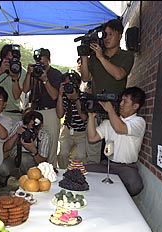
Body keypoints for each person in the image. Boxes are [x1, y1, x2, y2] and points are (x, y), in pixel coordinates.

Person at [80, 18, 135, 164]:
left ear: (120, 35)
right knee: (92, 153)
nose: (107, 38)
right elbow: (85, 77)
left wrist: (100, 57)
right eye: (105, 35)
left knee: (111, 153)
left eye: (111, 34)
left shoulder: (126, 56)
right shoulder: (95, 56)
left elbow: (119, 74)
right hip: (97, 109)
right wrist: (84, 57)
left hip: (115, 111)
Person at [85, 87, 146, 197]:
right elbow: (92, 138)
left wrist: (110, 110)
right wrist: (90, 117)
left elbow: (120, 128)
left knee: (135, 185)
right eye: (121, 100)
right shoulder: (108, 122)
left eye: (125, 101)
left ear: (135, 106)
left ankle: (115, 196)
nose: (121, 104)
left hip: (126, 168)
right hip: (108, 165)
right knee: (83, 170)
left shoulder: (139, 122)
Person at [23, 48, 62, 167]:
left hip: (50, 112)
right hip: (35, 111)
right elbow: (25, 90)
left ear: (49, 60)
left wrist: (45, 80)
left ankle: (51, 173)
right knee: (37, 144)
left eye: (44, 63)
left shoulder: (55, 74)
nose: (41, 66)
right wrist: (29, 73)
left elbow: (55, 95)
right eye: (39, 63)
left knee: (51, 147)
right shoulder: (34, 72)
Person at [0, 109, 50, 187]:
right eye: (28, 127)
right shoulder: (20, 125)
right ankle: (3, 180)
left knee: (25, 159)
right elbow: (5, 148)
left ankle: (30, 183)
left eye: (33, 128)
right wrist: (16, 135)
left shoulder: (44, 135)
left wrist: (33, 150)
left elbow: (42, 162)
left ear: (41, 126)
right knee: (1, 168)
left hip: (32, 164)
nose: (30, 131)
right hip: (15, 159)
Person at [56, 71, 88, 169]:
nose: (69, 87)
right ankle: (64, 173)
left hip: (81, 133)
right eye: (66, 84)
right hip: (67, 130)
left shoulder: (83, 97)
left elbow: (84, 117)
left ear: (78, 84)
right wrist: (60, 95)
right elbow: (60, 114)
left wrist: (76, 99)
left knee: (80, 157)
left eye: (71, 84)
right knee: (62, 154)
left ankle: (78, 176)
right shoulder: (64, 97)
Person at [0, 44, 27, 124]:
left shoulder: (22, 71)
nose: (11, 61)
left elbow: (16, 96)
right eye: (8, 58)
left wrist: (15, 78)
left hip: (13, 112)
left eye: (14, 58)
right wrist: (0, 70)